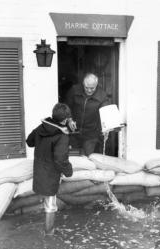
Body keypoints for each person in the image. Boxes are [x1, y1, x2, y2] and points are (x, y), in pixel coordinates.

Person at [26, 103, 73, 235]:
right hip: (51, 172)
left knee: (48, 201)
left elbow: (29, 142)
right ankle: (49, 232)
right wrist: (69, 171)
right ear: (64, 119)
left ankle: (48, 229)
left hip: (40, 169)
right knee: (51, 205)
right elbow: (60, 159)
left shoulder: (43, 127)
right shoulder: (62, 135)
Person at [65, 73, 110, 156]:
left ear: (96, 85)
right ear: (83, 84)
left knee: (89, 157)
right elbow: (66, 107)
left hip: (91, 134)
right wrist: (69, 119)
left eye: (92, 88)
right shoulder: (74, 90)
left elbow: (106, 113)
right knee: (74, 156)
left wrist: (107, 127)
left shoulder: (102, 96)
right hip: (74, 131)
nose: (89, 90)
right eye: (86, 87)